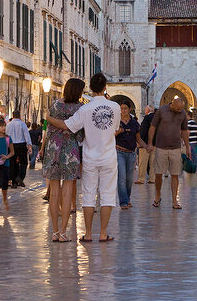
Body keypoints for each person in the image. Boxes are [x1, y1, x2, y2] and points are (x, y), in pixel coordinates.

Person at [49, 72, 120, 242]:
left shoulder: (85, 109)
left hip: (90, 156)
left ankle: (88, 234)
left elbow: (67, 125)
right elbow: (115, 129)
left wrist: (49, 118)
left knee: (88, 195)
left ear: (90, 88)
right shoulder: (115, 107)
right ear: (105, 88)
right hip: (109, 156)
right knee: (107, 195)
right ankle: (103, 233)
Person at [41, 79, 84, 242]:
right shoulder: (80, 108)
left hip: (53, 150)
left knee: (54, 193)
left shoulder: (55, 105)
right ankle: (64, 233)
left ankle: (55, 231)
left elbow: (48, 126)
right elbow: (80, 133)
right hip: (70, 151)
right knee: (67, 192)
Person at [149, 96, 190, 210]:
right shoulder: (162, 110)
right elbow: (153, 127)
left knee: (175, 174)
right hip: (161, 146)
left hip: (176, 147)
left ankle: (174, 200)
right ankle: (157, 195)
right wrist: (150, 143)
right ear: (172, 104)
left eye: (181, 109)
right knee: (158, 173)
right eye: (177, 109)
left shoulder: (182, 114)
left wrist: (187, 147)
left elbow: (185, 131)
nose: (179, 111)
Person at [115, 99, 140, 209]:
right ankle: (123, 202)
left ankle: (127, 198)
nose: (123, 110)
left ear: (129, 109)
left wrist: (148, 146)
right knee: (122, 177)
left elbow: (138, 138)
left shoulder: (134, 123)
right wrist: (117, 132)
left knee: (129, 179)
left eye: (125, 108)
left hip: (131, 153)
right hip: (119, 152)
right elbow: (110, 136)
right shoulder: (116, 121)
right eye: (121, 108)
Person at [6, 109, 31, 188]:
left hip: (11, 145)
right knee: (23, 162)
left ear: (12, 116)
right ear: (19, 116)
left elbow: (6, 135)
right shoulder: (22, 124)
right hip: (21, 145)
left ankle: (13, 182)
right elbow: (26, 135)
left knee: (13, 163)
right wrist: (29, 145)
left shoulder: (8, 125)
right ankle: (19, 177)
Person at [135, 105, 156, 184]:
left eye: (145, 109)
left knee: (143, 162)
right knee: (153, 163)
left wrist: (140, 142)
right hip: (154, 144)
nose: (144, 110)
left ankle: (141, 179)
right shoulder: (156, 118)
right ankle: (152, 178)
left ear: (148, 110)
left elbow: (143, 131)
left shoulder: (147, 118)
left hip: (145, 144)